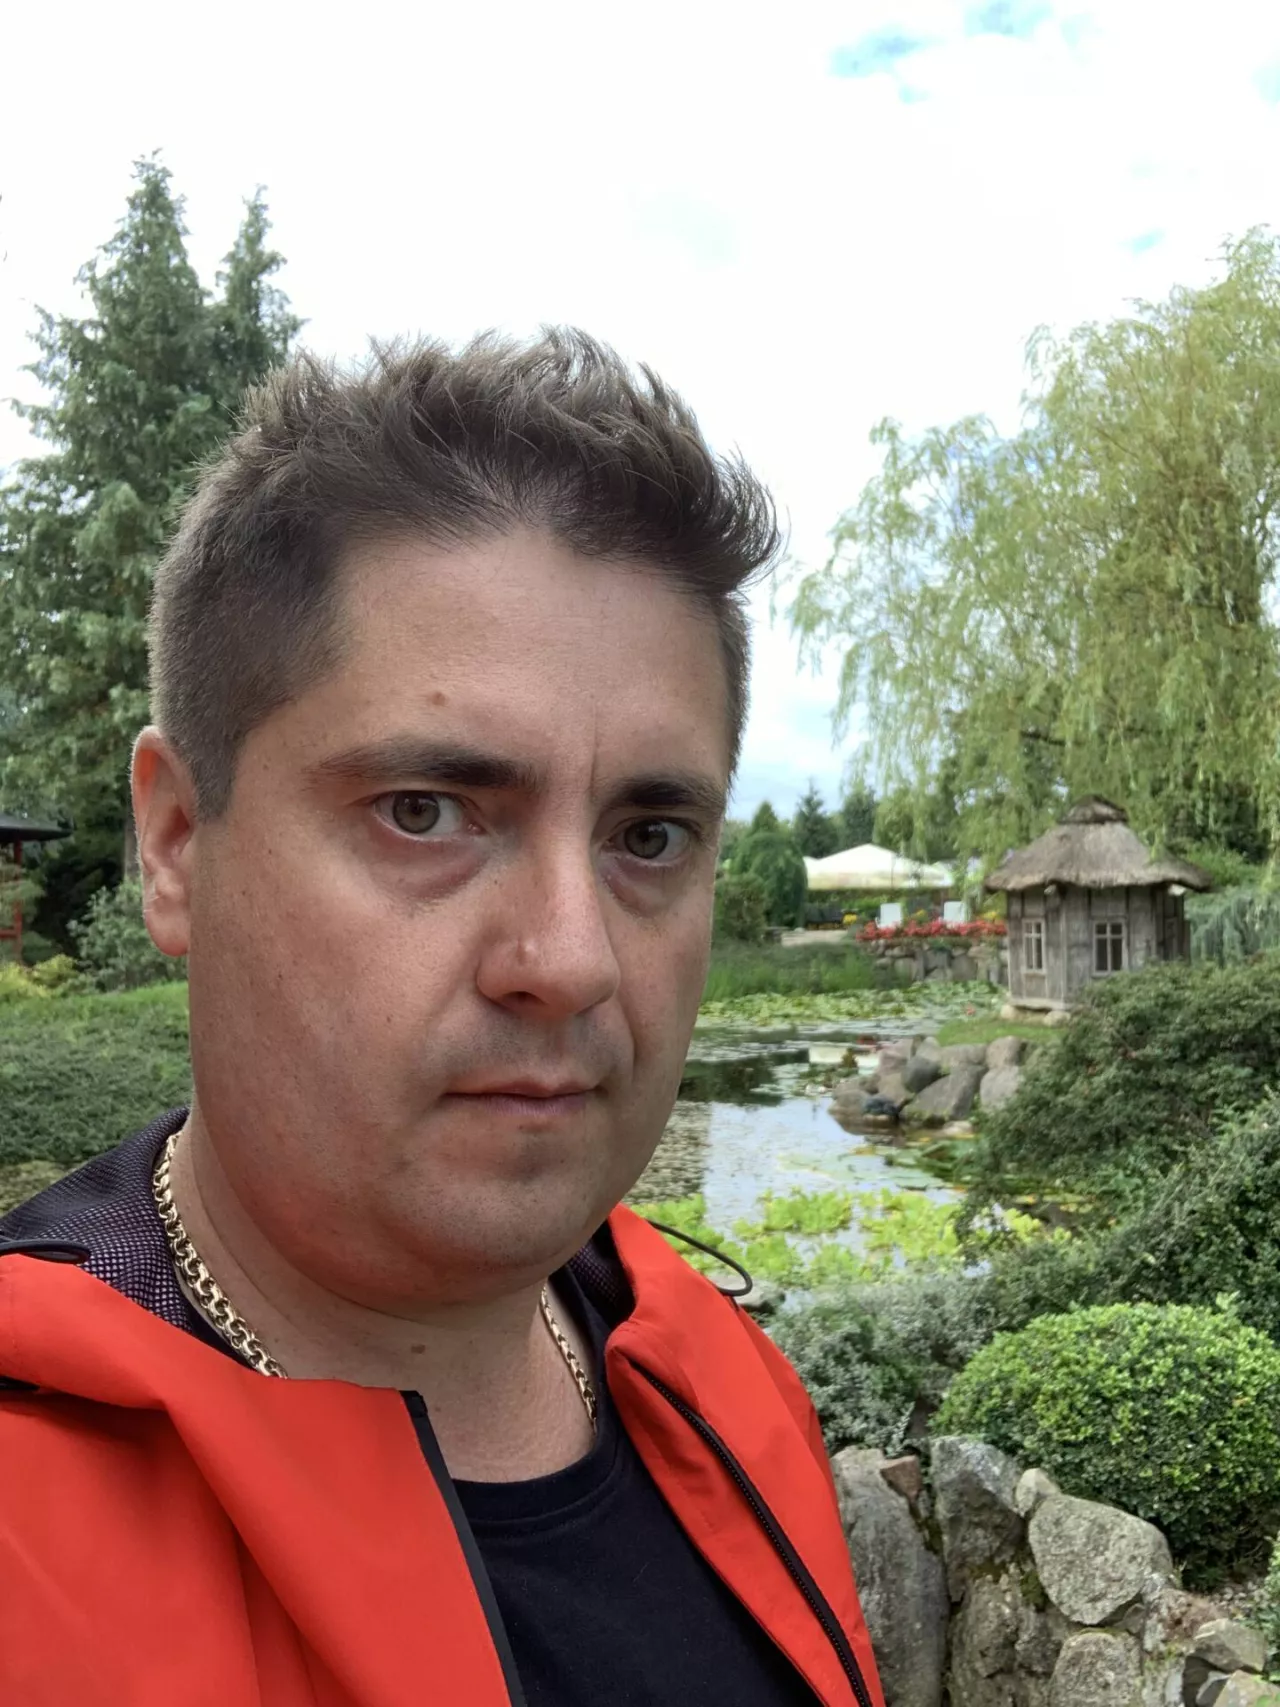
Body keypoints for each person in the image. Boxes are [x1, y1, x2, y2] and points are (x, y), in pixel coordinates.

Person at [0, 330, 884, 1707]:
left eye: (649, 835)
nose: (573, 960)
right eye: (425, 812)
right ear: (176, 844)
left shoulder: (727, 1387)